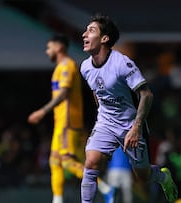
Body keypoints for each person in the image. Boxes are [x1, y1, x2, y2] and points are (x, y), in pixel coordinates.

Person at [79, 13, 178, 203]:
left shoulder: (122, 64)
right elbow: (96, 90)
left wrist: (136, 127)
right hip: (105, 123)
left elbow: (146, 94)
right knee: (90, 163)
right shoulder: (85, 67)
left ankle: (164, 177)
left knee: (143, 175)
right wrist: (102, 112)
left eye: (91, 30)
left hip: (130, 125)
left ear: (104, 38)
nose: (84, 34)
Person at [27, 34, 115, 203]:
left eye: (49, 47)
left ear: (59, 47)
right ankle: (57, 199)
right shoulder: (59, 68)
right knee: (54, 161)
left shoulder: (68, 66)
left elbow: (64, 94)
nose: (47, 51)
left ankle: (105, 187)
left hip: (68, 122)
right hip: (60, 123)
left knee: (67, 162)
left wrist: (42, 111)